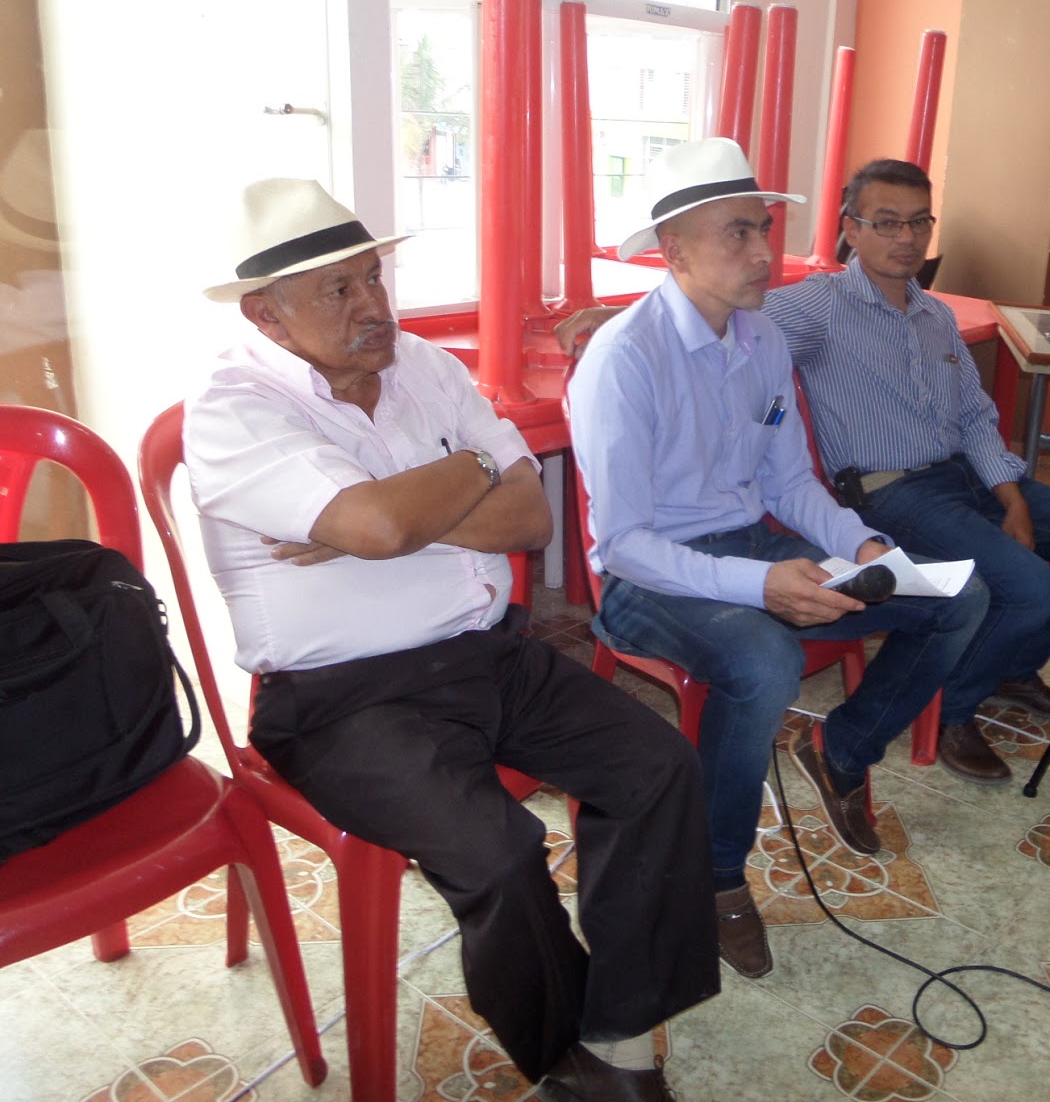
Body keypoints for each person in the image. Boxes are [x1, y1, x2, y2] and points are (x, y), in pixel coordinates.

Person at [187, 178, 717, 1102]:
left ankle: (622, 1025)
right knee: (499, 856)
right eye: (339, 290)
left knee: (659, 767)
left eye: (372, 278)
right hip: (343, 701)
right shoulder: (235, 407)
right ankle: (564, 1056)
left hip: (490, 653)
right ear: (267, 316)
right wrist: (454, 478)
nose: (372, 305)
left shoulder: (425, 367)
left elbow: (527, 517)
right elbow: (383, 524)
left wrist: (402, 504)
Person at [557, 158, 1050, 785]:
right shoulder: (800, 311)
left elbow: (954, 422)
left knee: (1024, 570)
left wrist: (971, 507)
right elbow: (692, 314)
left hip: (896, 495)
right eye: (886, 222)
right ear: (851, 230)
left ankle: (868, 738)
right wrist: (623, 317)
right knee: (1017, 588)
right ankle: (949, 713)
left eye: (919, 222)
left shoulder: (902, 320)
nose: (906, 237)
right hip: (807, 517)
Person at [566, 139, 986, 981]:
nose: (763, 252)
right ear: (674, 251)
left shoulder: (759, 338)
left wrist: (862, 546)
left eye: (762, 228)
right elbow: (627, 544)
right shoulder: (624, 359)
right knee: (764, 660)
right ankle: (718, 874)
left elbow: (789, 481)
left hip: (749, 541)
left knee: (955, 600)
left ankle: (844, 749)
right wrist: (760, 585)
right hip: (647, 578)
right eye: (738, 233)